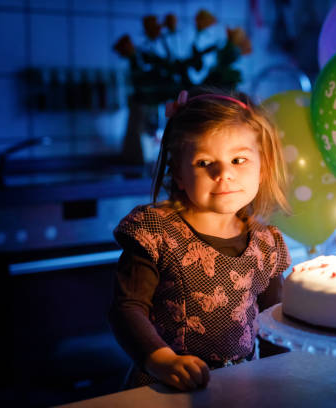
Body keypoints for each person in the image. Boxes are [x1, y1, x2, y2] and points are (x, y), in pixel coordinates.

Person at [109, 87, 292, 391]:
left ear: (263, 167)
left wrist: (283, 379)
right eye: (205, 162)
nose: (224, 174)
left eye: (239, 160)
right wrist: (161, 360)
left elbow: (274, 325)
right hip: (162, 389)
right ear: (178, 173)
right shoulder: (155, 232)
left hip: (238, 390)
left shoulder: (266, 244)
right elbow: (126, 308)